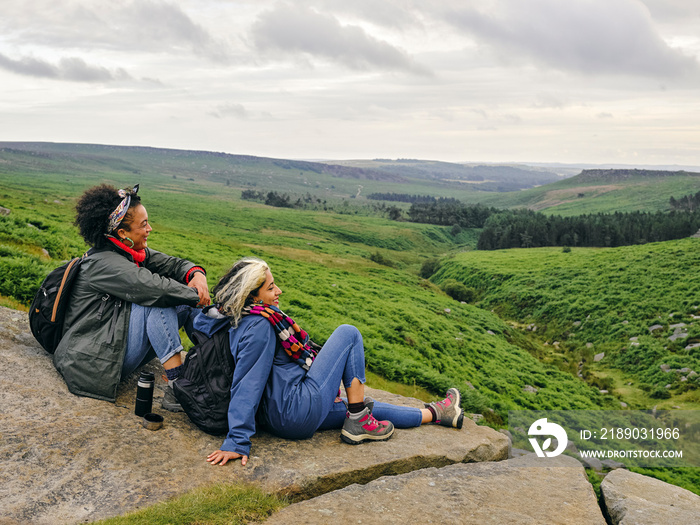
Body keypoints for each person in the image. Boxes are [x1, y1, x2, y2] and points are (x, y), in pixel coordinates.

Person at [197, 257, 464, 466]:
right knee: (349, 333)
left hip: (280, 411)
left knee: (359, 405)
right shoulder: (259, 326)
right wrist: (236, 441)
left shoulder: (234, 315)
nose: (278, 290)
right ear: (253, 295)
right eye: (270, 287)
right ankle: (358, 420)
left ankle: (437, 414)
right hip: (294, 409)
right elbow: (248, 382)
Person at [53, 183, 211, 408]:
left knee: (181, 299)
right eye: (144, 224)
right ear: (122, 233)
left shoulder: (128, 250)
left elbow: (174, 264)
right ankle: (178, 386)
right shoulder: (104, 263)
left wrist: (196, 275)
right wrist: (196, 295)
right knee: (160, 301)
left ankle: (215, 368)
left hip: (117, 339)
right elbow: (155, 289)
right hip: (95, 358)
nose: (150, 229)